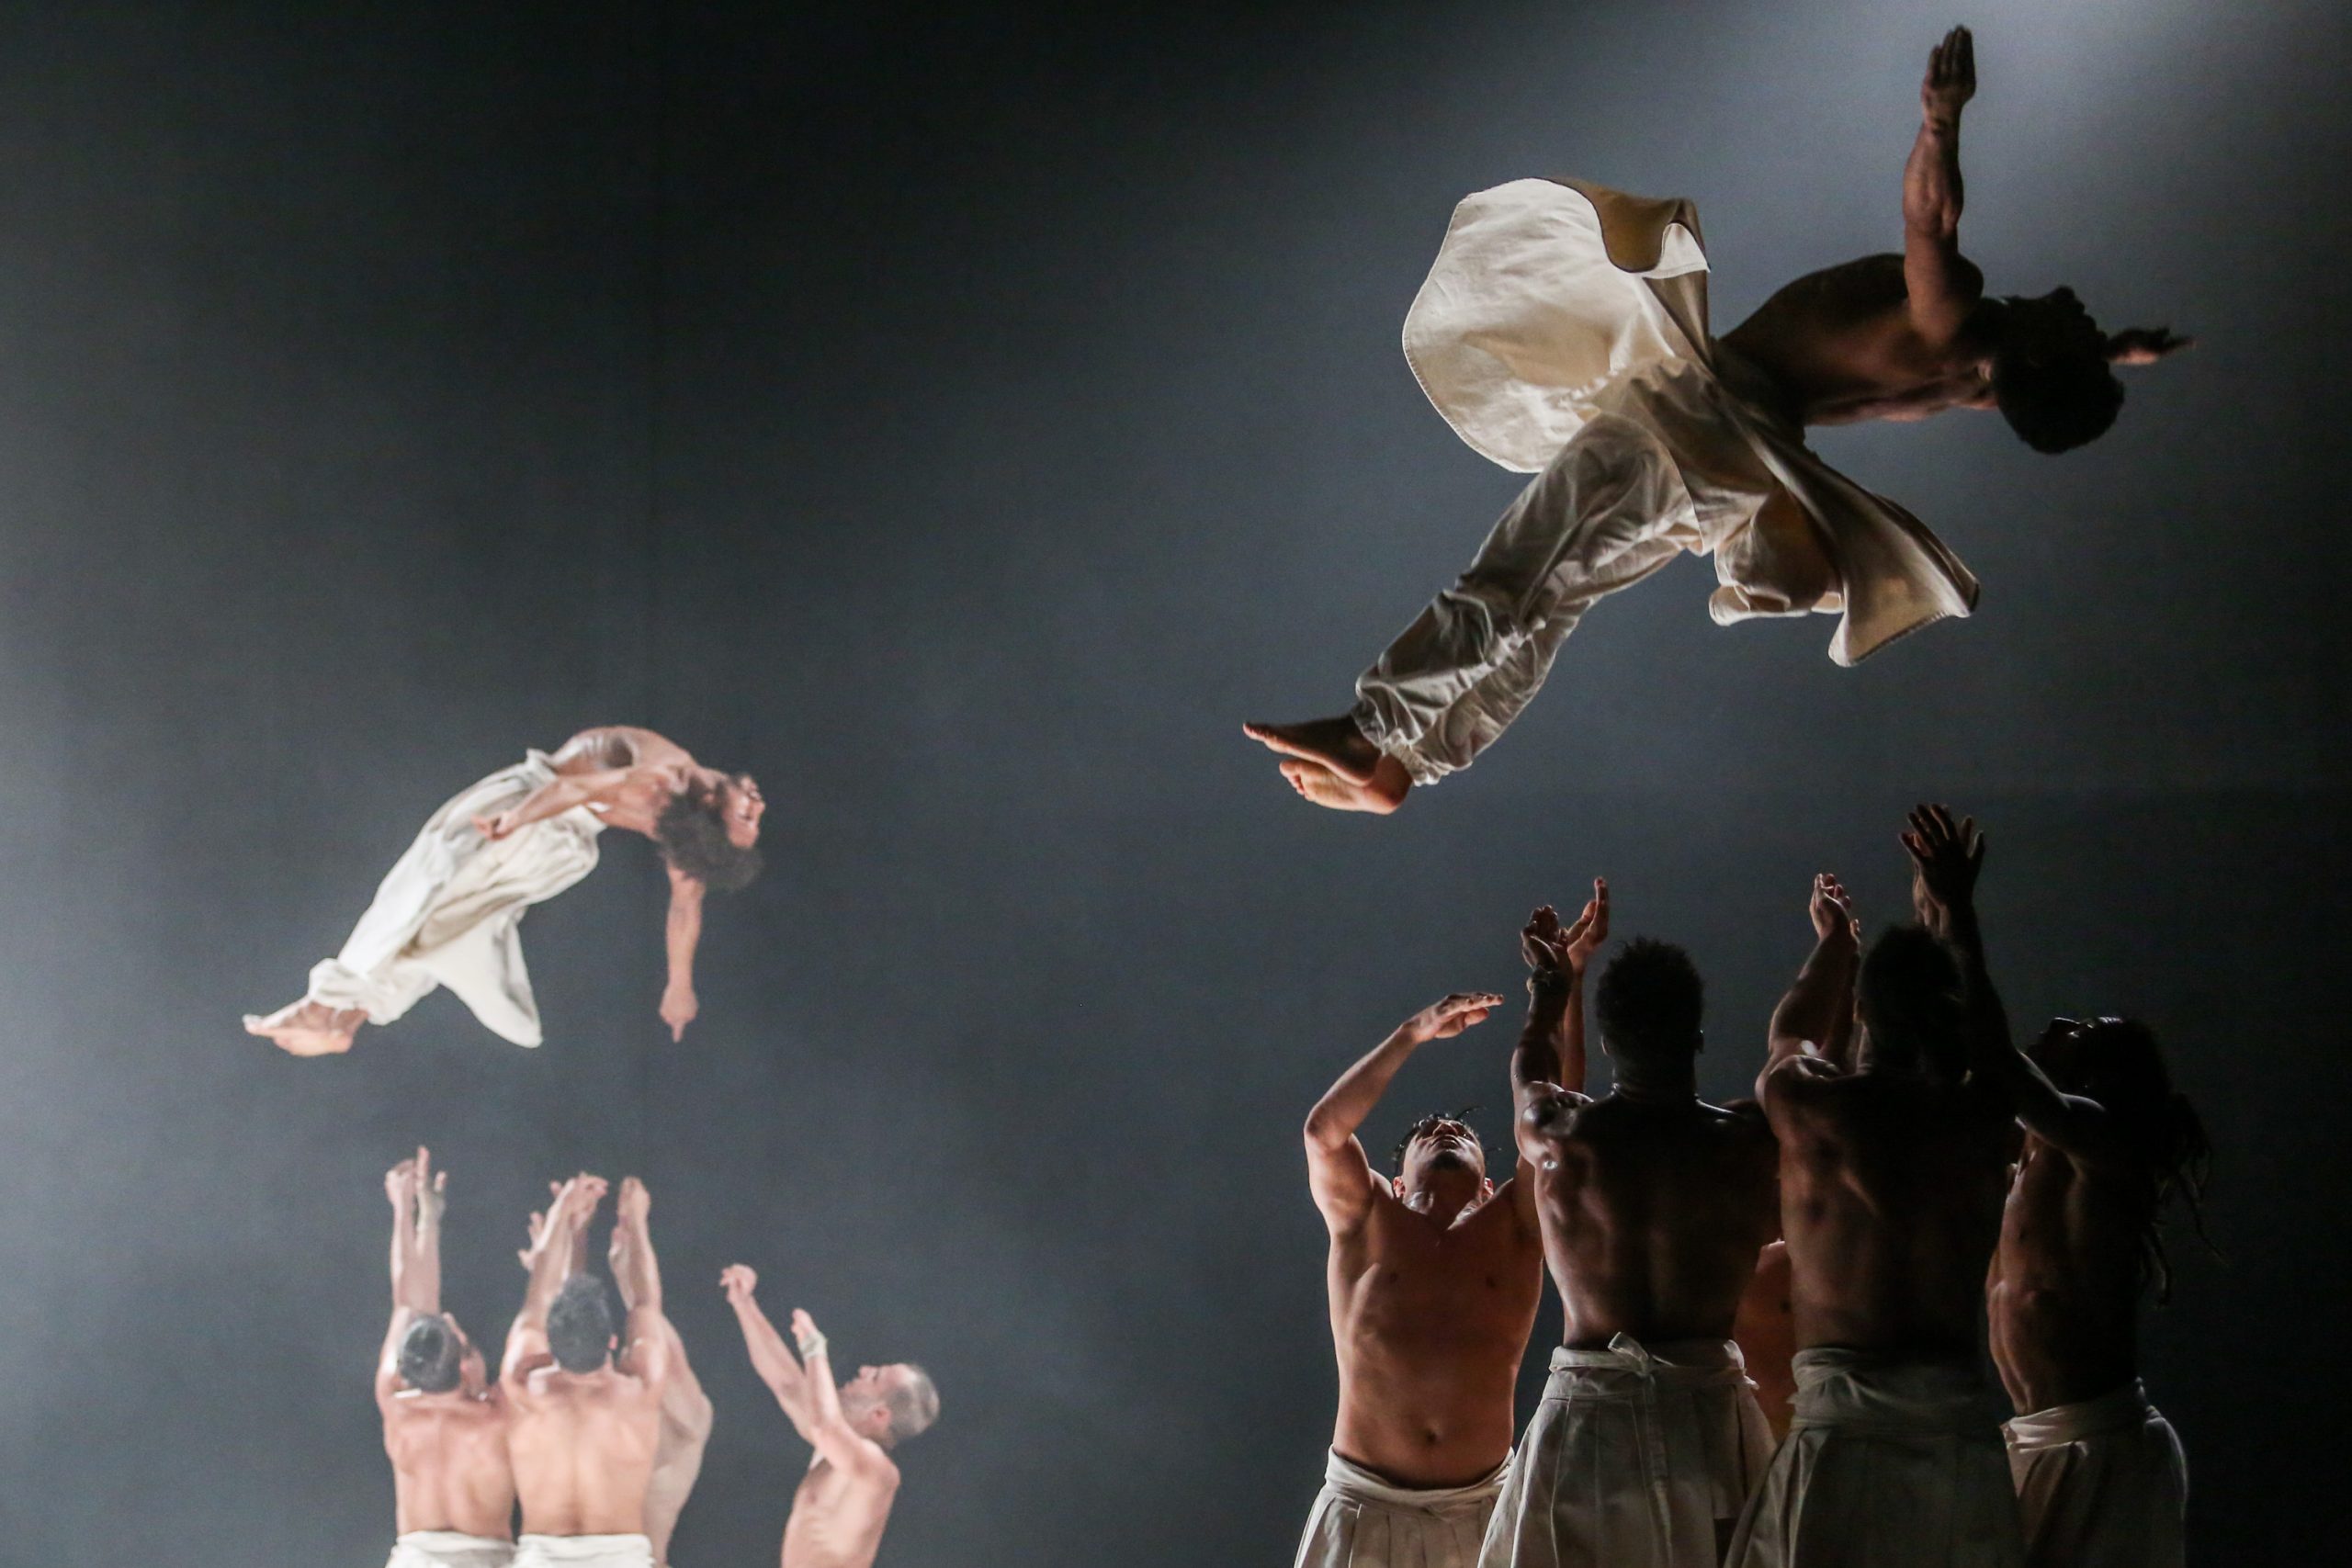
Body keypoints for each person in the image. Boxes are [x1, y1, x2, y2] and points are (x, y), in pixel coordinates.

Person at [1245, 26, 2189, 813]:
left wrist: (1939, 121)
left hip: (1695, 427)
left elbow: (1930, 228)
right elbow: (2025, 369)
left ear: (2035, 355)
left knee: (1518, 575)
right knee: (1553, 597)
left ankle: (1376, 732)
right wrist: (2113, 352)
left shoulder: (1952, 319)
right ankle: (1414, 761)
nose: (2082, 307)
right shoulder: (1978, 376)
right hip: (1725, 461)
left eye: (2082, 328)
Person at [1912, 813, 2207, 1566]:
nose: (2059, 1022)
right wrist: (1938, 921)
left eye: (2080, 1029)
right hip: (2035, 1438)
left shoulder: (2102, 1149)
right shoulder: (2026, 1155)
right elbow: (1962, 1057)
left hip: (2101, 1444)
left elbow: (2000, 1062)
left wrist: (1962, 916)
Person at [1726, 834, 2023, 1566]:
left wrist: (1834, 944)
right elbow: (1988, 1045)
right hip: (1956, 1434)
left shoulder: (1815, 1108)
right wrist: (1958, 917)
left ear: (1863, 1008)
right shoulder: (1987, 1115)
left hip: (1845, 1440)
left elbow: (1790, 1031)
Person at [1293, 891, 1598, 1568]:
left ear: (1491, 1183)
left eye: (1462, 1130)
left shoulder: (1514, 1226)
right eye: (1429, 1131)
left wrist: (1567, 983)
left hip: (1483, 1507)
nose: (1447, 1129)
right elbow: (1323, 1131)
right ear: (1396, 1180)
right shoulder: (1368, 1218)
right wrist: (1412, 1033)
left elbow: (1562, 1112)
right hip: (1366, 1500)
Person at [1482, 898, 1779, 1567]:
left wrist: (1549, 990)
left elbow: (1531, 1066)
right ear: (1697, 1036)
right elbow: (1804, 1063)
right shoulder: (1746, 1144)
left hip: (1592, 1423)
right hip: (1705, 1425)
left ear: (1608, 1042)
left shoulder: (1562, 1136)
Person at [245, 727, 764, 1054]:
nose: (756, 802)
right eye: (753, 811)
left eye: (747, 815)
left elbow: (572, 791)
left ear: (711, 818)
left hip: (535, 817)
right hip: (552, 842)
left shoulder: (668, 795)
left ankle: (327, 1003)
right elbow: (680, 904)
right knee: (441, 929)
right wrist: (677, 986)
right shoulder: (674, 790)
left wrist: (680, 986)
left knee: (421, 888)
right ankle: (349, 1017)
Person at [503, 1174, 673, 1568]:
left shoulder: (523, 1387)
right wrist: (637, 1222)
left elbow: (537, 1301)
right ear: (613, 1341)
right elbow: (646, 1304)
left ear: (550, 1344)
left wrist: (562, 1210)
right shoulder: (640, 1389)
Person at [719, 1264, 939, 1568]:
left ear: (879, 1414)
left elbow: (826, 1427)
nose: (863, 1370)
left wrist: (814, 1348)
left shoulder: (879, 1474)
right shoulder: (837, 1452)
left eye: (874, 1377)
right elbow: (787, 1384)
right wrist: (744, 1303)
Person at [379, 1148, 516, 1568]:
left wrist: (409, 1212)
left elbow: (408, 1301)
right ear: (464, 1365)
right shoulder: (497, 1414)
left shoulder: (394, 1403)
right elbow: (537, 1324)